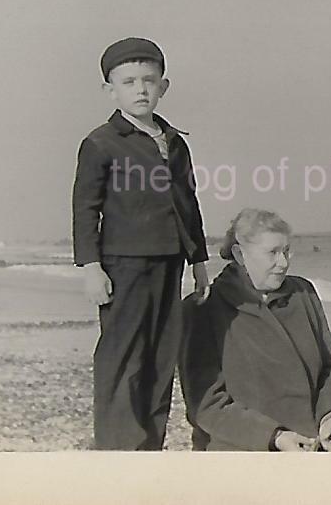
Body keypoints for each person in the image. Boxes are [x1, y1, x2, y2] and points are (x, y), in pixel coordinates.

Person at [72, 36, 210, 450]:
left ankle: (149, 448)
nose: (141, 90)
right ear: (109, 90)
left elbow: (188, 203)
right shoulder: (100, 142)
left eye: (149, 81)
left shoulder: (174, 141)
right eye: (129, 82)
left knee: (160, 358)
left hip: (170, 264)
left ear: (163, 86)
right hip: (123, 265)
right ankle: (118, 451)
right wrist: (91, 268)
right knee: (122, 360)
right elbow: (84, 209)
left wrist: (199, 262)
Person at [180, 208, 331, 451]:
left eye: (286, 251)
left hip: (315, 439)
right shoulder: (204, 309)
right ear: (240, 254)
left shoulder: (304, 294)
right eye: (272, 253)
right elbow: (206, 406)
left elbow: (329, 367)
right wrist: (275, 437)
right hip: (246, 449)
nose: (283, 263)